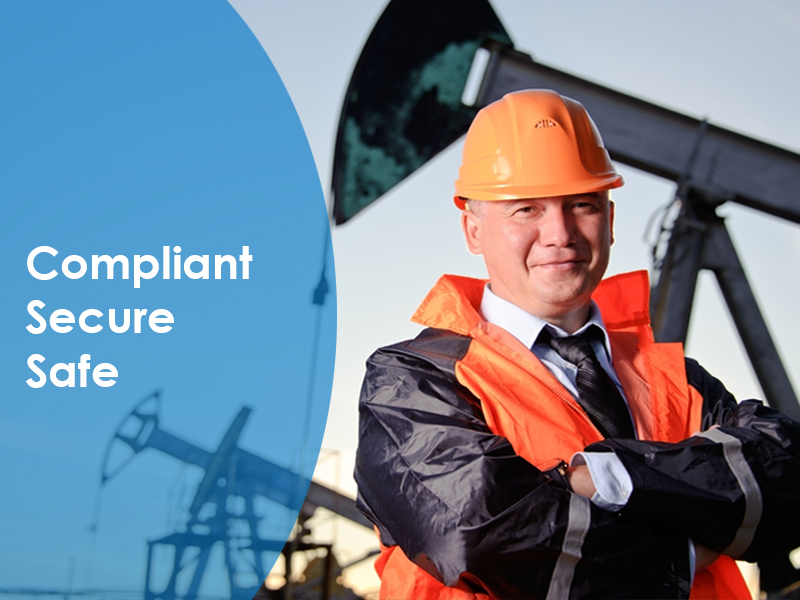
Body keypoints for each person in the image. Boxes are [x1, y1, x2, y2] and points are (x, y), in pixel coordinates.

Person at [353, 89, 800, 599]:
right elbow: (480, 534)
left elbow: (787, 476)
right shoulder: (411, 381)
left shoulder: (674, 377)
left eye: (582, 204)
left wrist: (610, 476)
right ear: (473, 230)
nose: (559, 233)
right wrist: (689, 546)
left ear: (610, 221)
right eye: (526, 210)